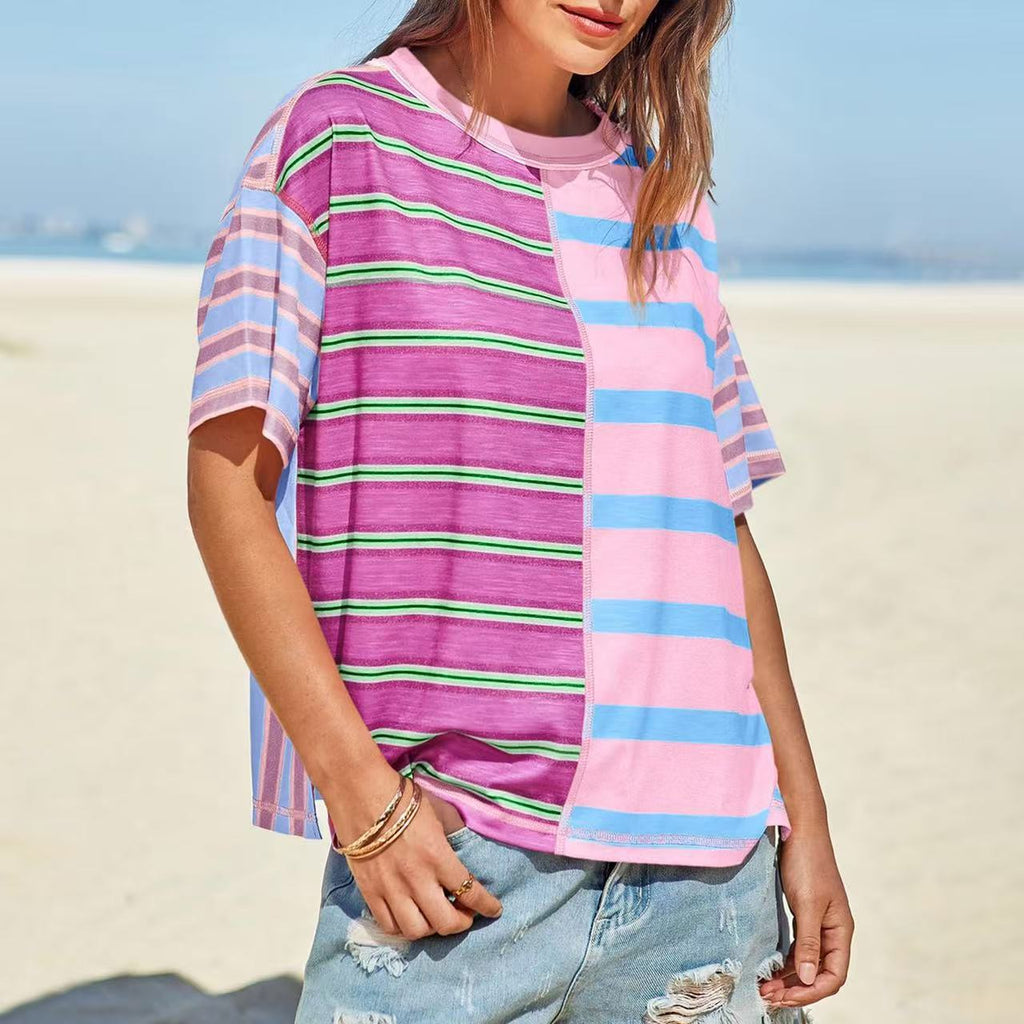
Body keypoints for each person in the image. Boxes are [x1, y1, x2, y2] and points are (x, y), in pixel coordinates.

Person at [185, 1, 854, 1021]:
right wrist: (364, 800)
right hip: (460, 865)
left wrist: (803, 821)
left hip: (712, 878)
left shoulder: (660, 194)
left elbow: (716, 528)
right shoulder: (339, 142)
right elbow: (227, 485)